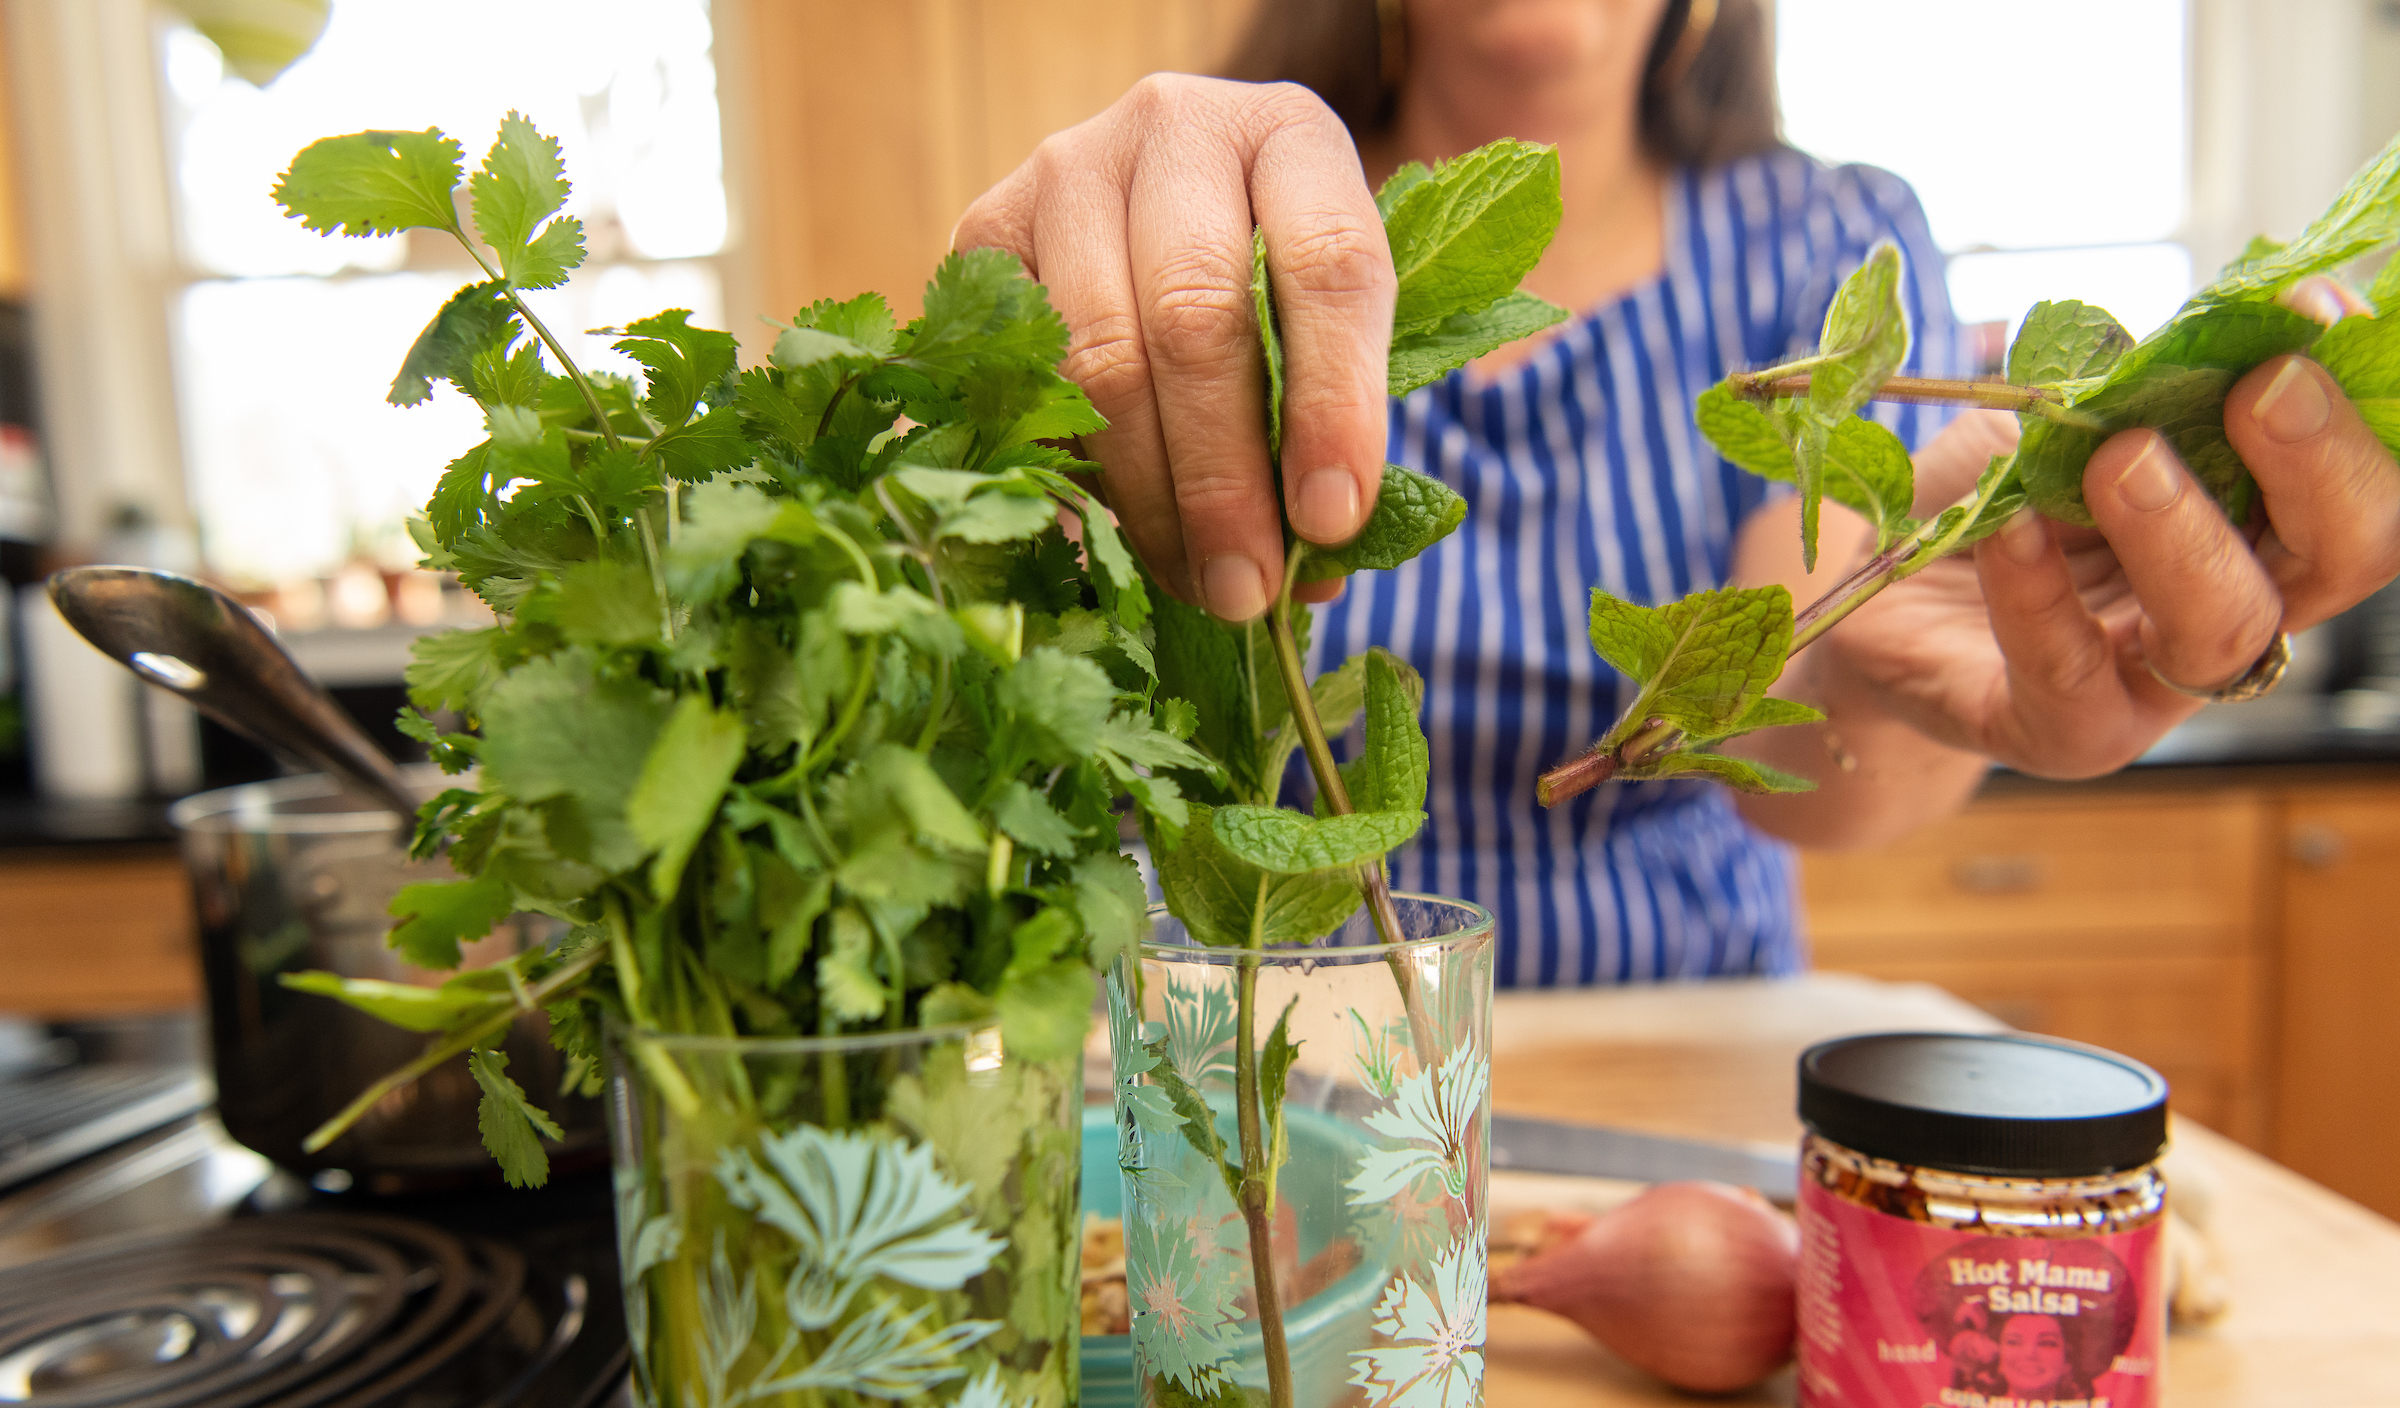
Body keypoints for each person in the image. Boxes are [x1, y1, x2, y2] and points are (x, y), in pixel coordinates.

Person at [954, 0, 2400, 985]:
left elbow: (1820, 692)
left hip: (1686, 1050)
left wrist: (1909, 660)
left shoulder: (1823, 238)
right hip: (1259, 1079)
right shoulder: (1214, 248)